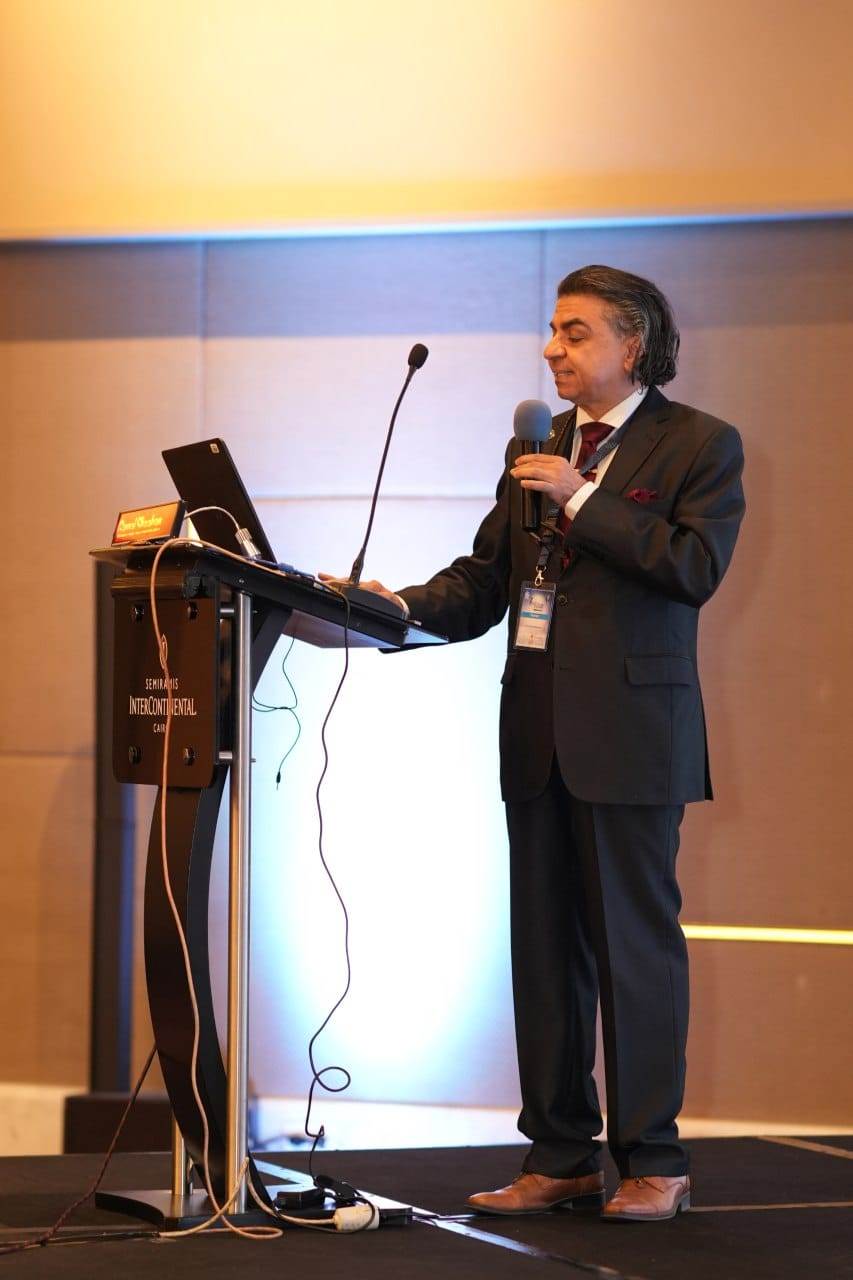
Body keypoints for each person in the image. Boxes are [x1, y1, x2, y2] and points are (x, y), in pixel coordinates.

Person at [349, 265, 745, 1222]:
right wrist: (391, 608)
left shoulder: (699, 442)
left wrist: (579, 497)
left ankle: (654, 1160)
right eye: (552, 331)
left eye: (574, 333)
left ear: (632, 345)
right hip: (535, 736)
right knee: (542, 955)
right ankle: (561, 1153)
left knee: (633, 954)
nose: (550, 350)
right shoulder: (536, 446)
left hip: (632, 738)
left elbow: (693, 567)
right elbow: (487, 581)